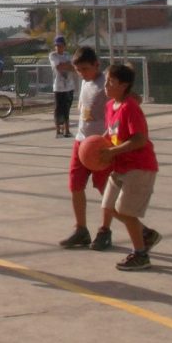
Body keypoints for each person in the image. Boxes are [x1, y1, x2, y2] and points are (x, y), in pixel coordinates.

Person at [99, 63, 161, 271]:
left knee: (124, 210)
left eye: (111, 82)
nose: (106, 85)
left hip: (139, 166)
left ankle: (141, 254)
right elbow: (111, 133)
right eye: (106, 80)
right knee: (108, 207)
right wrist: (97, 146)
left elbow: (140, 140)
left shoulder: (130, 107)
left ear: (124, 85)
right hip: (120, 165)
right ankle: (146, 234)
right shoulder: (110, 106)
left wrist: (112, 152)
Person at [58, 47, 113, 250]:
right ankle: (81, 229)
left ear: (97, 64)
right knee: (75, 185)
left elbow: (131, 99)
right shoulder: (85, 81)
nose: (82, 73)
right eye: (78, 70)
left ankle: (106, 231)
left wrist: (108, 141)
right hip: (81, 143)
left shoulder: (107, 83)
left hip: (100, 146)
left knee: (105, 189)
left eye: (85, 69)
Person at [49, 36, 75, 138]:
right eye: (56, 45)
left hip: (69, 86)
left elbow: (73, 68)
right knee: (58, 108)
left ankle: (67, 130)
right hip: (58, 87)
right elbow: (58, 67)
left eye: (60, 45)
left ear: (64, 46)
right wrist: (66, 65)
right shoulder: (53, 55)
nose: (58, 47)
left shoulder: (68, 55)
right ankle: (58, 130)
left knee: (67, 108)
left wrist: (66, 65)